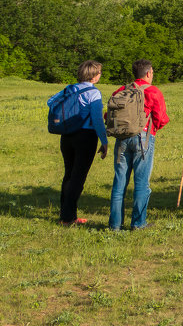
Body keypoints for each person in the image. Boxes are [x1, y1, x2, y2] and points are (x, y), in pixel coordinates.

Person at [109, 59, 169, 231]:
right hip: (143, 138)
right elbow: (161, 118)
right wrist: (153, 129)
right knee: (142, 183)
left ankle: (114, 225)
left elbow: (110, 114)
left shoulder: (122, 90)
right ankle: (138, 223)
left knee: (119, 182)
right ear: (149, 73)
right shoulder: (153, 91)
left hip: (122, 139)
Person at [53, 60, 108, 226]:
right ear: (93, 75)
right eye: (99, 72)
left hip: (67, 135)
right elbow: (98, 120)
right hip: (85, 136)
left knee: (69, 174)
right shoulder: (93, 93)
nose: (100, 75)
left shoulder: (69, 89)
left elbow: (51, 102)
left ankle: (65, 214)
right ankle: (69, 218)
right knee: (78, 177)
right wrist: (104, 141)